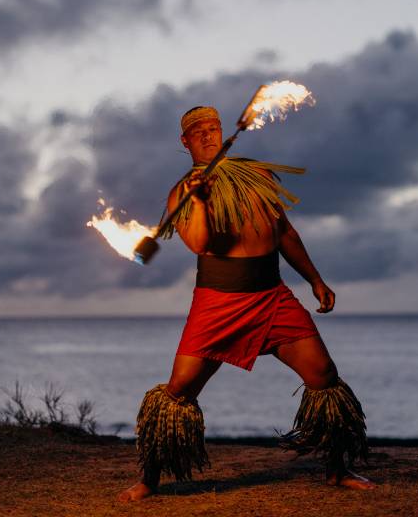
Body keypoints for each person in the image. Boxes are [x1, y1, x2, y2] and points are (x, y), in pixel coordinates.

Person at [118, 106, 375, 502]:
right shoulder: (182, 192)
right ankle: (150, 478)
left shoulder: (258, 175)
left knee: (324, 376)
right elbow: (201, 244)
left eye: (213, 128)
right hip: (218, 305)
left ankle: (338, 470)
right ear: (184, 142)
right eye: (197, 132)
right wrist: (199, 201)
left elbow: (284, 232)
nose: (208, 135)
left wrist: (315, 279)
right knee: (178, 391)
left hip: (272, 298)